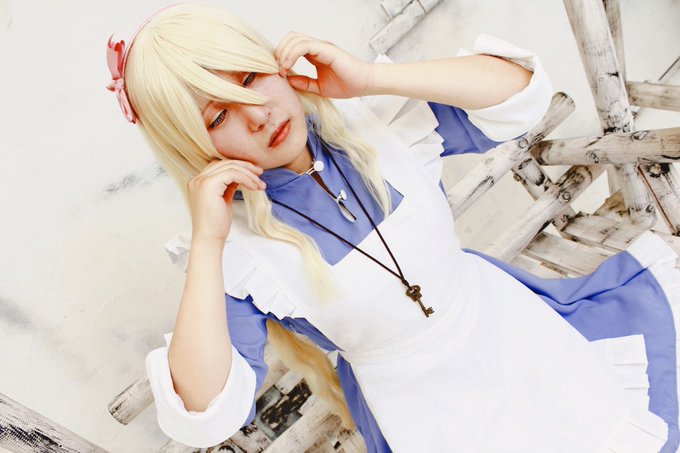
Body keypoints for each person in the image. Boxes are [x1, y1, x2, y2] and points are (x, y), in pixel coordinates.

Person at [106, 3, 680, 452]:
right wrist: (208, 244)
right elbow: (206, 414)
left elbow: (519, 97)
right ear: (194, 146)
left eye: (251, 77)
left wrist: (369, 78)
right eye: (218, 116)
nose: (257, 114)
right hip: (421, 411)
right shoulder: (236, 250)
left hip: (513, 328)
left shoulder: (376, 124)